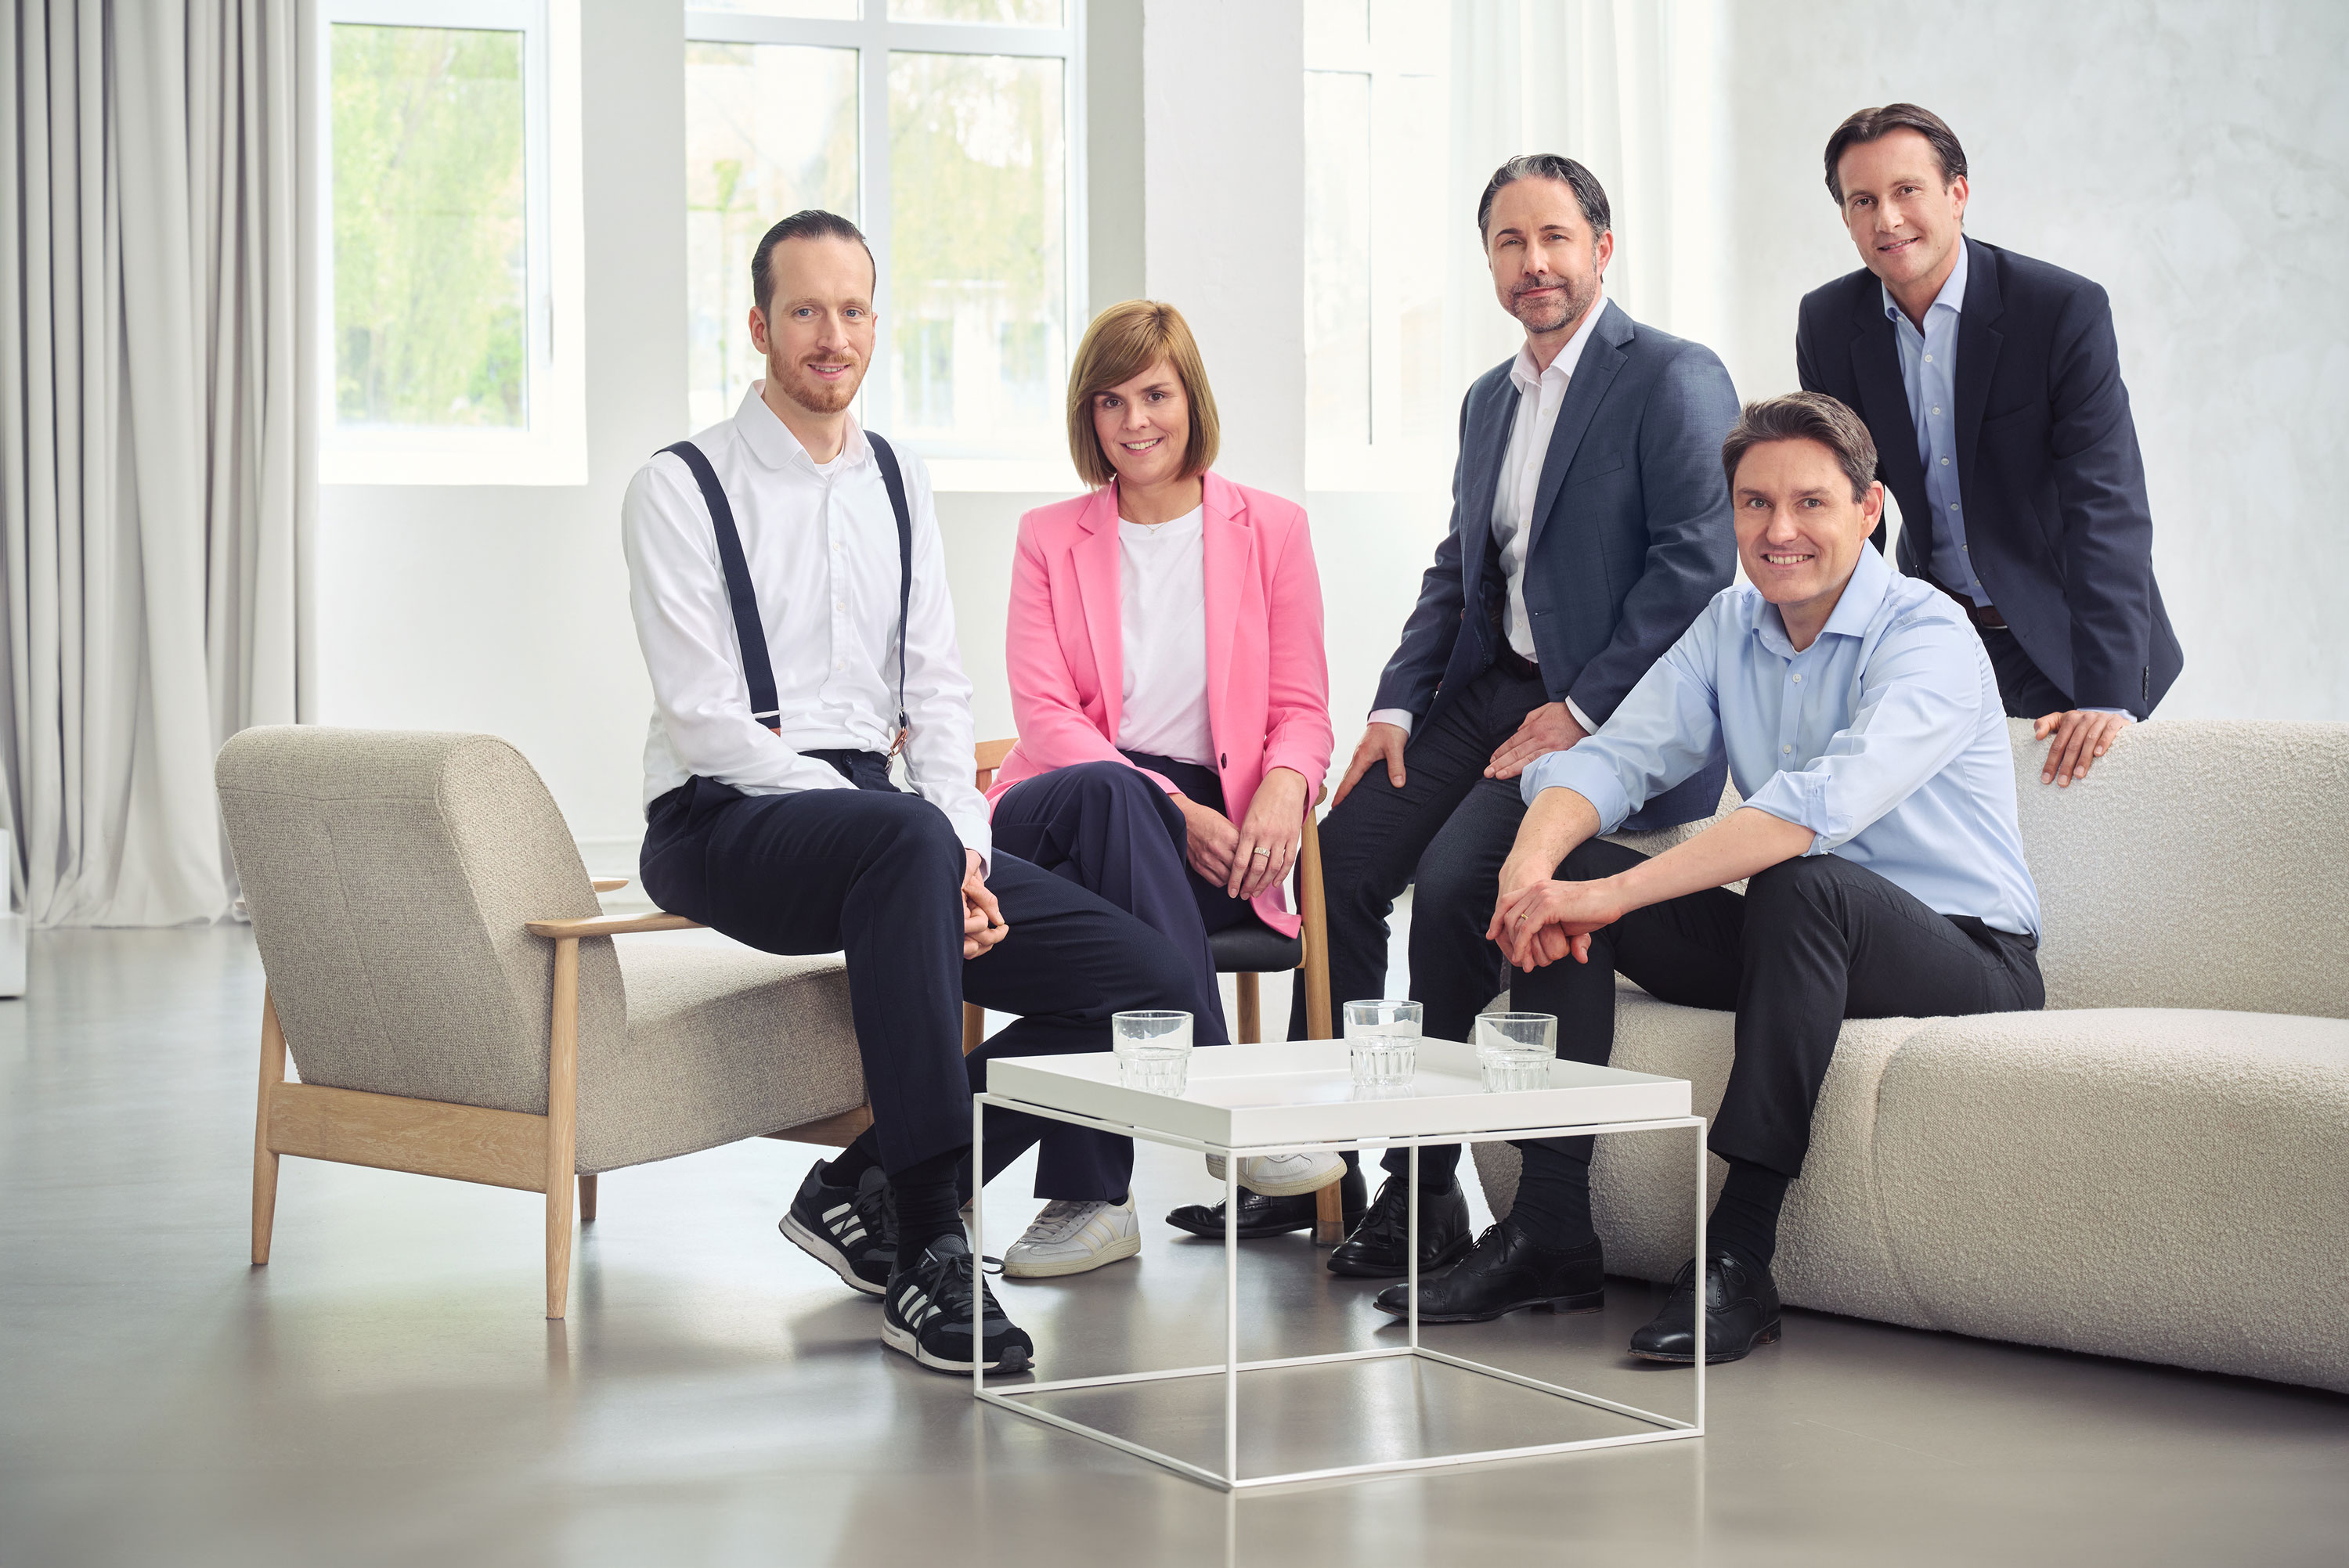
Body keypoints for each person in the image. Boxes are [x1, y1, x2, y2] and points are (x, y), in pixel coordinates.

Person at [622, 211, 1195, 1376]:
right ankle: (934, 1244)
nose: (832, 335)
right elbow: (706, 720)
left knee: (1153, 986)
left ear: (875, 323)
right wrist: (922, 845)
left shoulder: (897, 476)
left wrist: (964, 852)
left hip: (896, 827)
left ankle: (868, 1185)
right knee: (894, 836)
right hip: (724, 815)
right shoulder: (678, 486)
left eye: (853, 309)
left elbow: (937, 690)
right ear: (757, 326)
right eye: (804, 310)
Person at [1377, 391, 2043, 1363]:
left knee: (1794, 880)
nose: (1779, 531)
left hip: (1967, 959)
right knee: (1582, 872)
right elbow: (1612, 757)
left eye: (1811, 503)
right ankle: (1551, 1225)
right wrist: (1536, 869)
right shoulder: (1731, 623)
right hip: (1801, 947)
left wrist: (1608, 895)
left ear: (1869, 509)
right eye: (1753, 503)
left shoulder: (1927, 635)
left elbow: (1811, 808)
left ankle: (1739, 1253)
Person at [1286, 154, 1740, 1281]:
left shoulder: (1675, 377)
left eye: (1554, 238)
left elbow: (1698, 565)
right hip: (1487, 689)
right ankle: (1333, 1166)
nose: (1533, 263)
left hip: (1612, 710)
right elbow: (1459, 564)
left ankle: (1423, 1185)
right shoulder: (1491, 398)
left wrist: (1580, 710)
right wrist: (1394, 702)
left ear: (1602, 246)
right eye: (1507, 242)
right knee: (1339, 868)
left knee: (1451, 887)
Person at [978, 300, 1341, 1276]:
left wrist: (1285, 787)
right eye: (1110, 400)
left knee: (1118, 902)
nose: (1134, 421)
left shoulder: (1271, 528)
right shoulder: (1050, 537)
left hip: (1220, 819)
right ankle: (1233, 1104)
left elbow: (1304, 704)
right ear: (1087, 416)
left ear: (1192, 399)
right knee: (1114, 802)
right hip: (1061, 801)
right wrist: (1171, 808)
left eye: (1154, 394)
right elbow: (1048, 716)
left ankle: (1089, 1198)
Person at [1796, 103, 2183, 788]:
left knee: (2080, 845)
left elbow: (2107, 506)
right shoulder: (1828, 323)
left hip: (2069, 632)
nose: (1886, 219)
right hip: (1942, 628)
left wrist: (2106, 693)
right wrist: (1833, 659)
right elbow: (1853, 510)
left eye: (1906, 191)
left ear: (1957, 194)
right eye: (1863, 200)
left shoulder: (2060, 311)